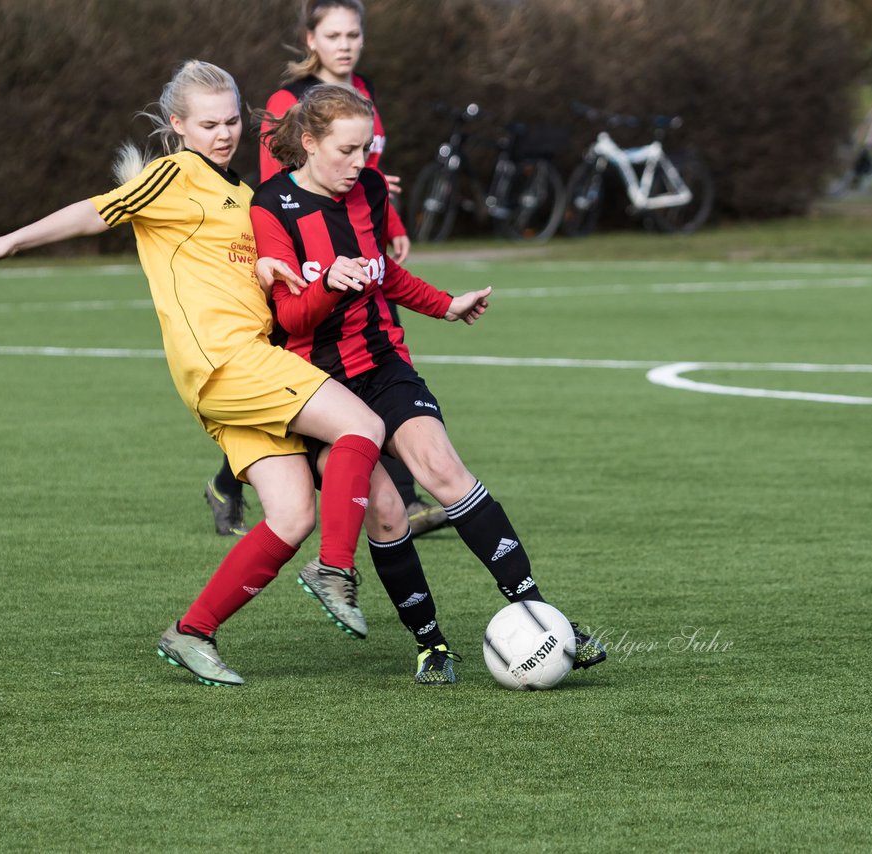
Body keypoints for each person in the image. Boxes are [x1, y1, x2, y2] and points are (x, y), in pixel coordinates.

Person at [0, 61, 386, 687]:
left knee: (291, 516)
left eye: (232, 120)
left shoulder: (243, 194)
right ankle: (335, 570)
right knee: (363, 425)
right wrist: (12, 241)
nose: (223, 133)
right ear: (177, 125)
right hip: (227, 360)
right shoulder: (173, 174)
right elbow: (96, 211)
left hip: (237, 372)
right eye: (208, 123)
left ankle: (191, 633)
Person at [252, 84, 608, 684]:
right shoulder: (271, 206)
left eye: (366, 149)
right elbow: (287, 319)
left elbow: (383, 268)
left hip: (382, 363)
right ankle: (430, 645)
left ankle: (546, 617)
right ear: (308, 143)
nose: (359, 164)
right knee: (386, 512)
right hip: (316, 387)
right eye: (345, 150)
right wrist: (327, 285)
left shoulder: (365, 190)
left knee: (444, 469)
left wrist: (443, 305)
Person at [203, 0, 450, 540]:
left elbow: (367, 171)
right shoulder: (288, 101)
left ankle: (402, 500)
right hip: (300, 255)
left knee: (379, 353)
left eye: (354, 34)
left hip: (357, 239)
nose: (346, 44)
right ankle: (230, 478)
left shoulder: (362, 91)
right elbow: (281, 183)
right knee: (303, 368)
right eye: (333, 34)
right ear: (309, 39)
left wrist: (392, 223)